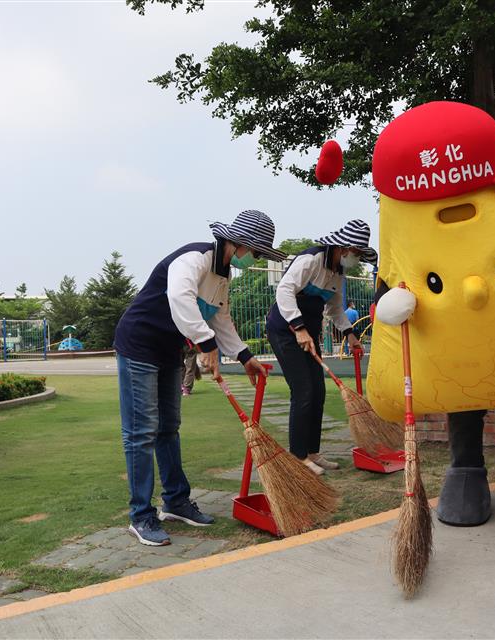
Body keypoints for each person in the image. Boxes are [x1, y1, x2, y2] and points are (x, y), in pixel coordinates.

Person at [113, 210, 286, 546]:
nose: (257, 257)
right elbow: (179, 298)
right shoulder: (193, 258)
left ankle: (176, 501)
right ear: (238, 243)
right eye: (256, 251)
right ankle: (141, 516)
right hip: (138, 345)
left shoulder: (223, 275)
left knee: (168, 427)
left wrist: (245, 356)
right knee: (141, 432)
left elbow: (221, 318)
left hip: (168, 351)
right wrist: (205, 344)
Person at [267, 219, 377, 474]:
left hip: (309, 333)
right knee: (303, 390)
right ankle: (298, 456)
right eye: (357, 252)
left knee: (318, 391)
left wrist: (350, 334)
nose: (357, 257)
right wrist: (299, 327)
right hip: (285, 330)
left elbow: (334, 309)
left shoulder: (338, 272)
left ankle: (313, 452)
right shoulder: (310, 260)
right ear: (342, 247)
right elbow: (284, 291)